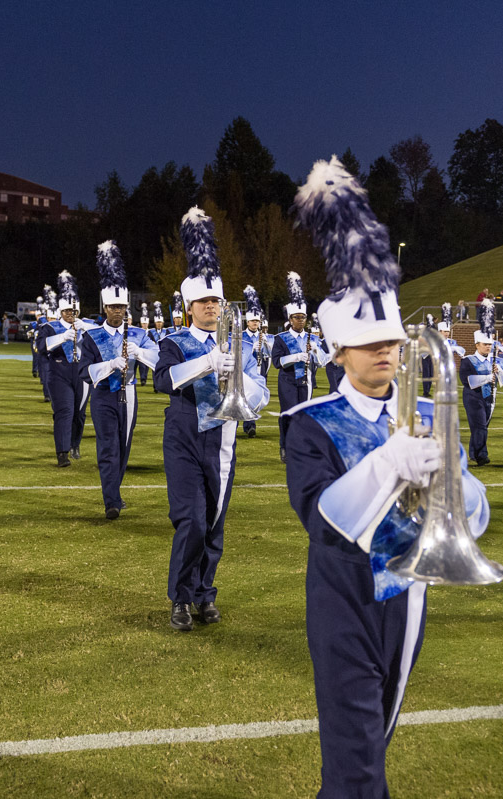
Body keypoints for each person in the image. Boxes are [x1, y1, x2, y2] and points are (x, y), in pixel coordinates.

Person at [286, 156, 491, 797]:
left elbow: (474, 515)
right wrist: (387, 462)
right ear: (339, 350)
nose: (387, 352)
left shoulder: (431, 412)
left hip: (409, 599)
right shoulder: (310, 423)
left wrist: (455, 482)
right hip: (344, 601)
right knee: (359, 769)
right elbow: (323, 520)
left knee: (370, 747)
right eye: (371, 343)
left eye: (393, 341)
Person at [154, 207, 269, 632]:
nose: (210, 307)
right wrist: (207, 363)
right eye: (203, 301)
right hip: (184, 435)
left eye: (216, 300)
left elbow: (262, 391)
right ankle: (181, 598)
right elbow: (163, 381)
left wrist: (237, 375)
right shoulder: (174, 341)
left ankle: (205, 593)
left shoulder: (241, 341)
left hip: (223, 436)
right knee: (192, 520)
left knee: (215, 522)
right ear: (189, 306)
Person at [79, 241, 160, 519]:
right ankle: (111, 500)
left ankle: (115, 490)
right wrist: (109, 365)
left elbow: (160, 361)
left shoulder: (137, 334)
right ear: (104, 307)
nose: (117, 311)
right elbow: (83, 372)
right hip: (103, 396)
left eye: (121, 307)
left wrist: (142, 352)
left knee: (124, 447)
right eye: (112, 307)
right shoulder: (91, 336)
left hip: (130, 395)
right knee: (108, 447)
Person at [272, 271, 330, 463]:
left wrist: (316, 351)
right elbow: (277, 362)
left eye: (303, 317)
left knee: (304, 415)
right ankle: (285, 447)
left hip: (307, 382)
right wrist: (296, 357)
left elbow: (322, 362)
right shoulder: (280, 338)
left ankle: (302, 447)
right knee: (288, 414)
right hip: (288, 381)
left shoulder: (312, 338)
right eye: (296, 317)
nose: (300, 321)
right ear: (290, 319)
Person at [40, 270, 95, 466]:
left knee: (79, 413)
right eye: (67, 311)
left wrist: (85, 329)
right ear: (60, 312)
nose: (70, 314)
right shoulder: (50, 327)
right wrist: (61, 337)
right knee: (65, 411)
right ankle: (62, 452)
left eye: (73, 311)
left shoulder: (86, 324)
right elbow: (40, 347)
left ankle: (75, 443)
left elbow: (103, 338)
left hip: (81, 373)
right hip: (59, 372)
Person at [459, 299, 503, 467]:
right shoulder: (468, 361)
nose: (488, 347)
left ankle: (474, 453)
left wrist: (499, 371)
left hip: (490, 397)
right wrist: (488, 377)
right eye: (485, 344)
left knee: (480, 427)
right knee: (480, 426)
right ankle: (482, 455)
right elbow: (467, 381)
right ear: (476, 344)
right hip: (473, 397)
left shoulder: (496, 360)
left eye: (490, 344)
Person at [242, 286, 270, 437]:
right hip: (245, 373)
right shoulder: (240, 336)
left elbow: (271, 356)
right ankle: (247, 424)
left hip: (260, 372)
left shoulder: (264, 336)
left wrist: (265, 345)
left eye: (257, 321)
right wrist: (251, 348)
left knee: (253, 400)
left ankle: (250, 425)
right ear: (247, 322)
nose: (255, 324)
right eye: (252, 321)